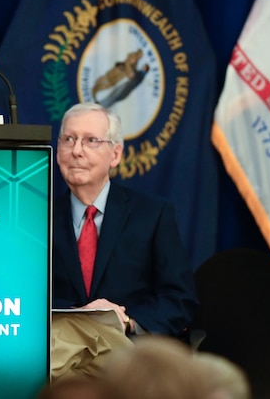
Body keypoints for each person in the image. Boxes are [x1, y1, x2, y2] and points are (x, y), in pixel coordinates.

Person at [51, 102, 197, 380]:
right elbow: (24, 296)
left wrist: (127, 322)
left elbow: (179, 298)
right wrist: (81, 316)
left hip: (129, 350)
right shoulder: (36, 217)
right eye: (68, 139)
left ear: (115, 154)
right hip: (66, 353)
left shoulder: (152, 214)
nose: (77, 150)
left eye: (91, 141)